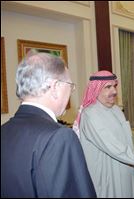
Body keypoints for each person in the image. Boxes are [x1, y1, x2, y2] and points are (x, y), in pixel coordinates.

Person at [1, 52, 96, 197]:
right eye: (70, 86)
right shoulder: (59, 137)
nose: (71, 92)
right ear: (55, 87)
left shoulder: (4, 130)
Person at [72, 70, 134, 198]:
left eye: (114, 86)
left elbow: (126, 141)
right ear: (96, 89)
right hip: (107, 176)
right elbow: (112, 146)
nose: (114, 91)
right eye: (108, 87)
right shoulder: (90, 114)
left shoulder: (117, 110)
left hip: (127, 168)